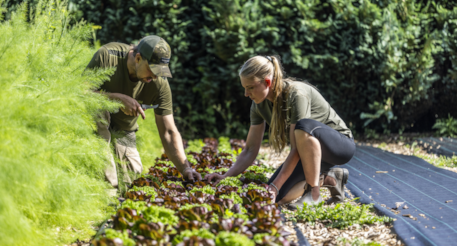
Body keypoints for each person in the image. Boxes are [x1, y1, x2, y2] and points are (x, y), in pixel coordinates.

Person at [205, 55, 355, 209]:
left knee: (303, 126)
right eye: (244, 88)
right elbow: (250, 149)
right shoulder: (258, 106)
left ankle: (313, 194)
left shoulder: (296, 94)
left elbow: (296, 147)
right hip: (310, 153)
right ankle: (329, 178)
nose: (246, 94)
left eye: (250, 87)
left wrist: (275, 186)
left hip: (339, 146)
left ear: (267, 82)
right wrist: (225, 176)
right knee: (278, 198)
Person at [85, 35, 201, 190]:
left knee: (132, 181)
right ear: (138, 58)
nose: (154, 77)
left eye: (160, 72)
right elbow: (81, 93)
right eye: (152, 70)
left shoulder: (159, 83)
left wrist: (186, 168)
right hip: (93, 124)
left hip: (123, 130)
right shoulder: (108, 56)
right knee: (107, 175)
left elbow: (168, 131)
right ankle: (106, 195)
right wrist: (115, 99)